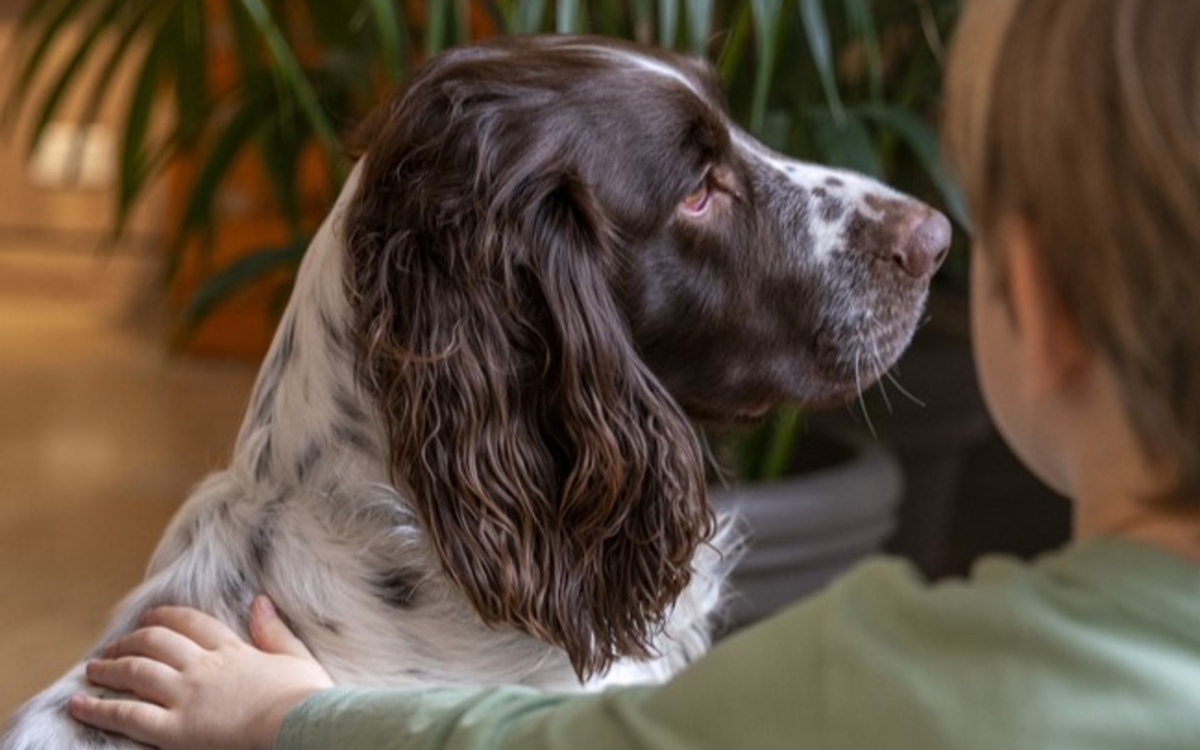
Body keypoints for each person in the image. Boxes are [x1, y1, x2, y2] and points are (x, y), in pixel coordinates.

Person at [66, 0, 1200, 747]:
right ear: (543, 329)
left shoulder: (884, 681)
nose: (911, 228)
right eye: (706, 185)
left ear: (1044, 320)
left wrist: (295, 726)